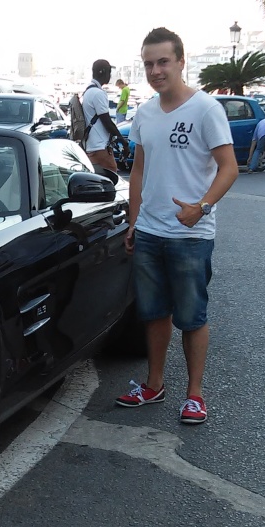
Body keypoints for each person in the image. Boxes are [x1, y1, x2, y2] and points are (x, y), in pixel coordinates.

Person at [115, 27, 237, 425]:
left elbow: (229, 167)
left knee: (192, 316)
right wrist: (134, 222)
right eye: (149, 63)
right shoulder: (146, 112)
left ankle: (195, 395)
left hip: (191, 234)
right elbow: (138, 170)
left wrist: (201, 207)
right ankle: (154, 385)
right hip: (150, 230)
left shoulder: (205, 109)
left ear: (181, 61)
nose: (155, 70)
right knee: (153, 313)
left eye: (163, 61)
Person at [81, 59, 126, 171]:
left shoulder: (88, 91)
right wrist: (123, 141)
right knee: (112, 178)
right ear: (104, 72)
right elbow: (107, 122)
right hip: (100, 148)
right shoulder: (98, 93)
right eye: (109, 72)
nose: (110, 76)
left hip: (91, 146)